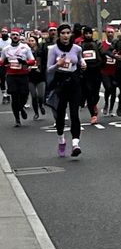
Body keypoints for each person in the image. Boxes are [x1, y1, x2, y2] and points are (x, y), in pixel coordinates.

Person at [46, 24, 86, 157]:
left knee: (74, 114)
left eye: (68, 33)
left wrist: (83, 64)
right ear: (59, 34)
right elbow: (48, 69)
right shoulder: (53, 49)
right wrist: (57, 64)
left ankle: (75, 144)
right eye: (63, 33)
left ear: (71, 34)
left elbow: (80, 61)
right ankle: (61, 139)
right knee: (61, 114)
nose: (65, 35)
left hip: (74, 83)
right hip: (60, 83)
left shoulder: (77, 48)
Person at [0, 28, 35, 126]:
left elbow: (32, 60)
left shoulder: (25, 47)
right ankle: (17, 119)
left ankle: (21, 107)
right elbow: (1, 61)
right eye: (13, 35)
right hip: (11, 75)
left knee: (24, 95)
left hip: (23, 74)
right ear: (11, 36)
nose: (15, 36)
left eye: (17, 35)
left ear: (19, 37)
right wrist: (5, 62)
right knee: (14, 97)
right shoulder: (6, 49)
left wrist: (24, 62)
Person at [80, 26, 105, 124]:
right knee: (88, 93)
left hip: (96, 71)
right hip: (86, 73)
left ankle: (94, 104)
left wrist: (101, 65)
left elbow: (102, 56)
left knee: (96, 94)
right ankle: (93, 115)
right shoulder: (80, 45)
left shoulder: (97, 44)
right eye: (86, 33)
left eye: (89, 33)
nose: (88, 35)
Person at [26, 35, 46, 120]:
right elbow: (23, 62)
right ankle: (36, 113)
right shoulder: (26, 51)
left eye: (32, 40)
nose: (31, 42)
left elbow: (45, 62)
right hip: (30, 77)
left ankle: (41, 105)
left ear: (36, 42)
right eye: (29, 40)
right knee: (33, 96)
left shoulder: (41, 51)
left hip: (40, 76)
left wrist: (41, 68)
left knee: (41, 96)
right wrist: (27, 68)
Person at [100, 26, 117, 116]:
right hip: (105, 71)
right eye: (108, 32)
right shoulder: (102, 44)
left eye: (111, 32)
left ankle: (111, 109)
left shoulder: (117, 44)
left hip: (115, 71)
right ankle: (106, 103)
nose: (110, 34)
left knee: (114, 90)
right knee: (108, 88)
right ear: (105, 33)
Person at [0, 27, 10, 104]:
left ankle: (9, 93)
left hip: (10, 62)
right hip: (1, 62)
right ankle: (4, 95)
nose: (4, 33)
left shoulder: (10, 41)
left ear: (7, 32)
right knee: (2, 78)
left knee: (10, 78)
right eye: (2, 31)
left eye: (5, 31)